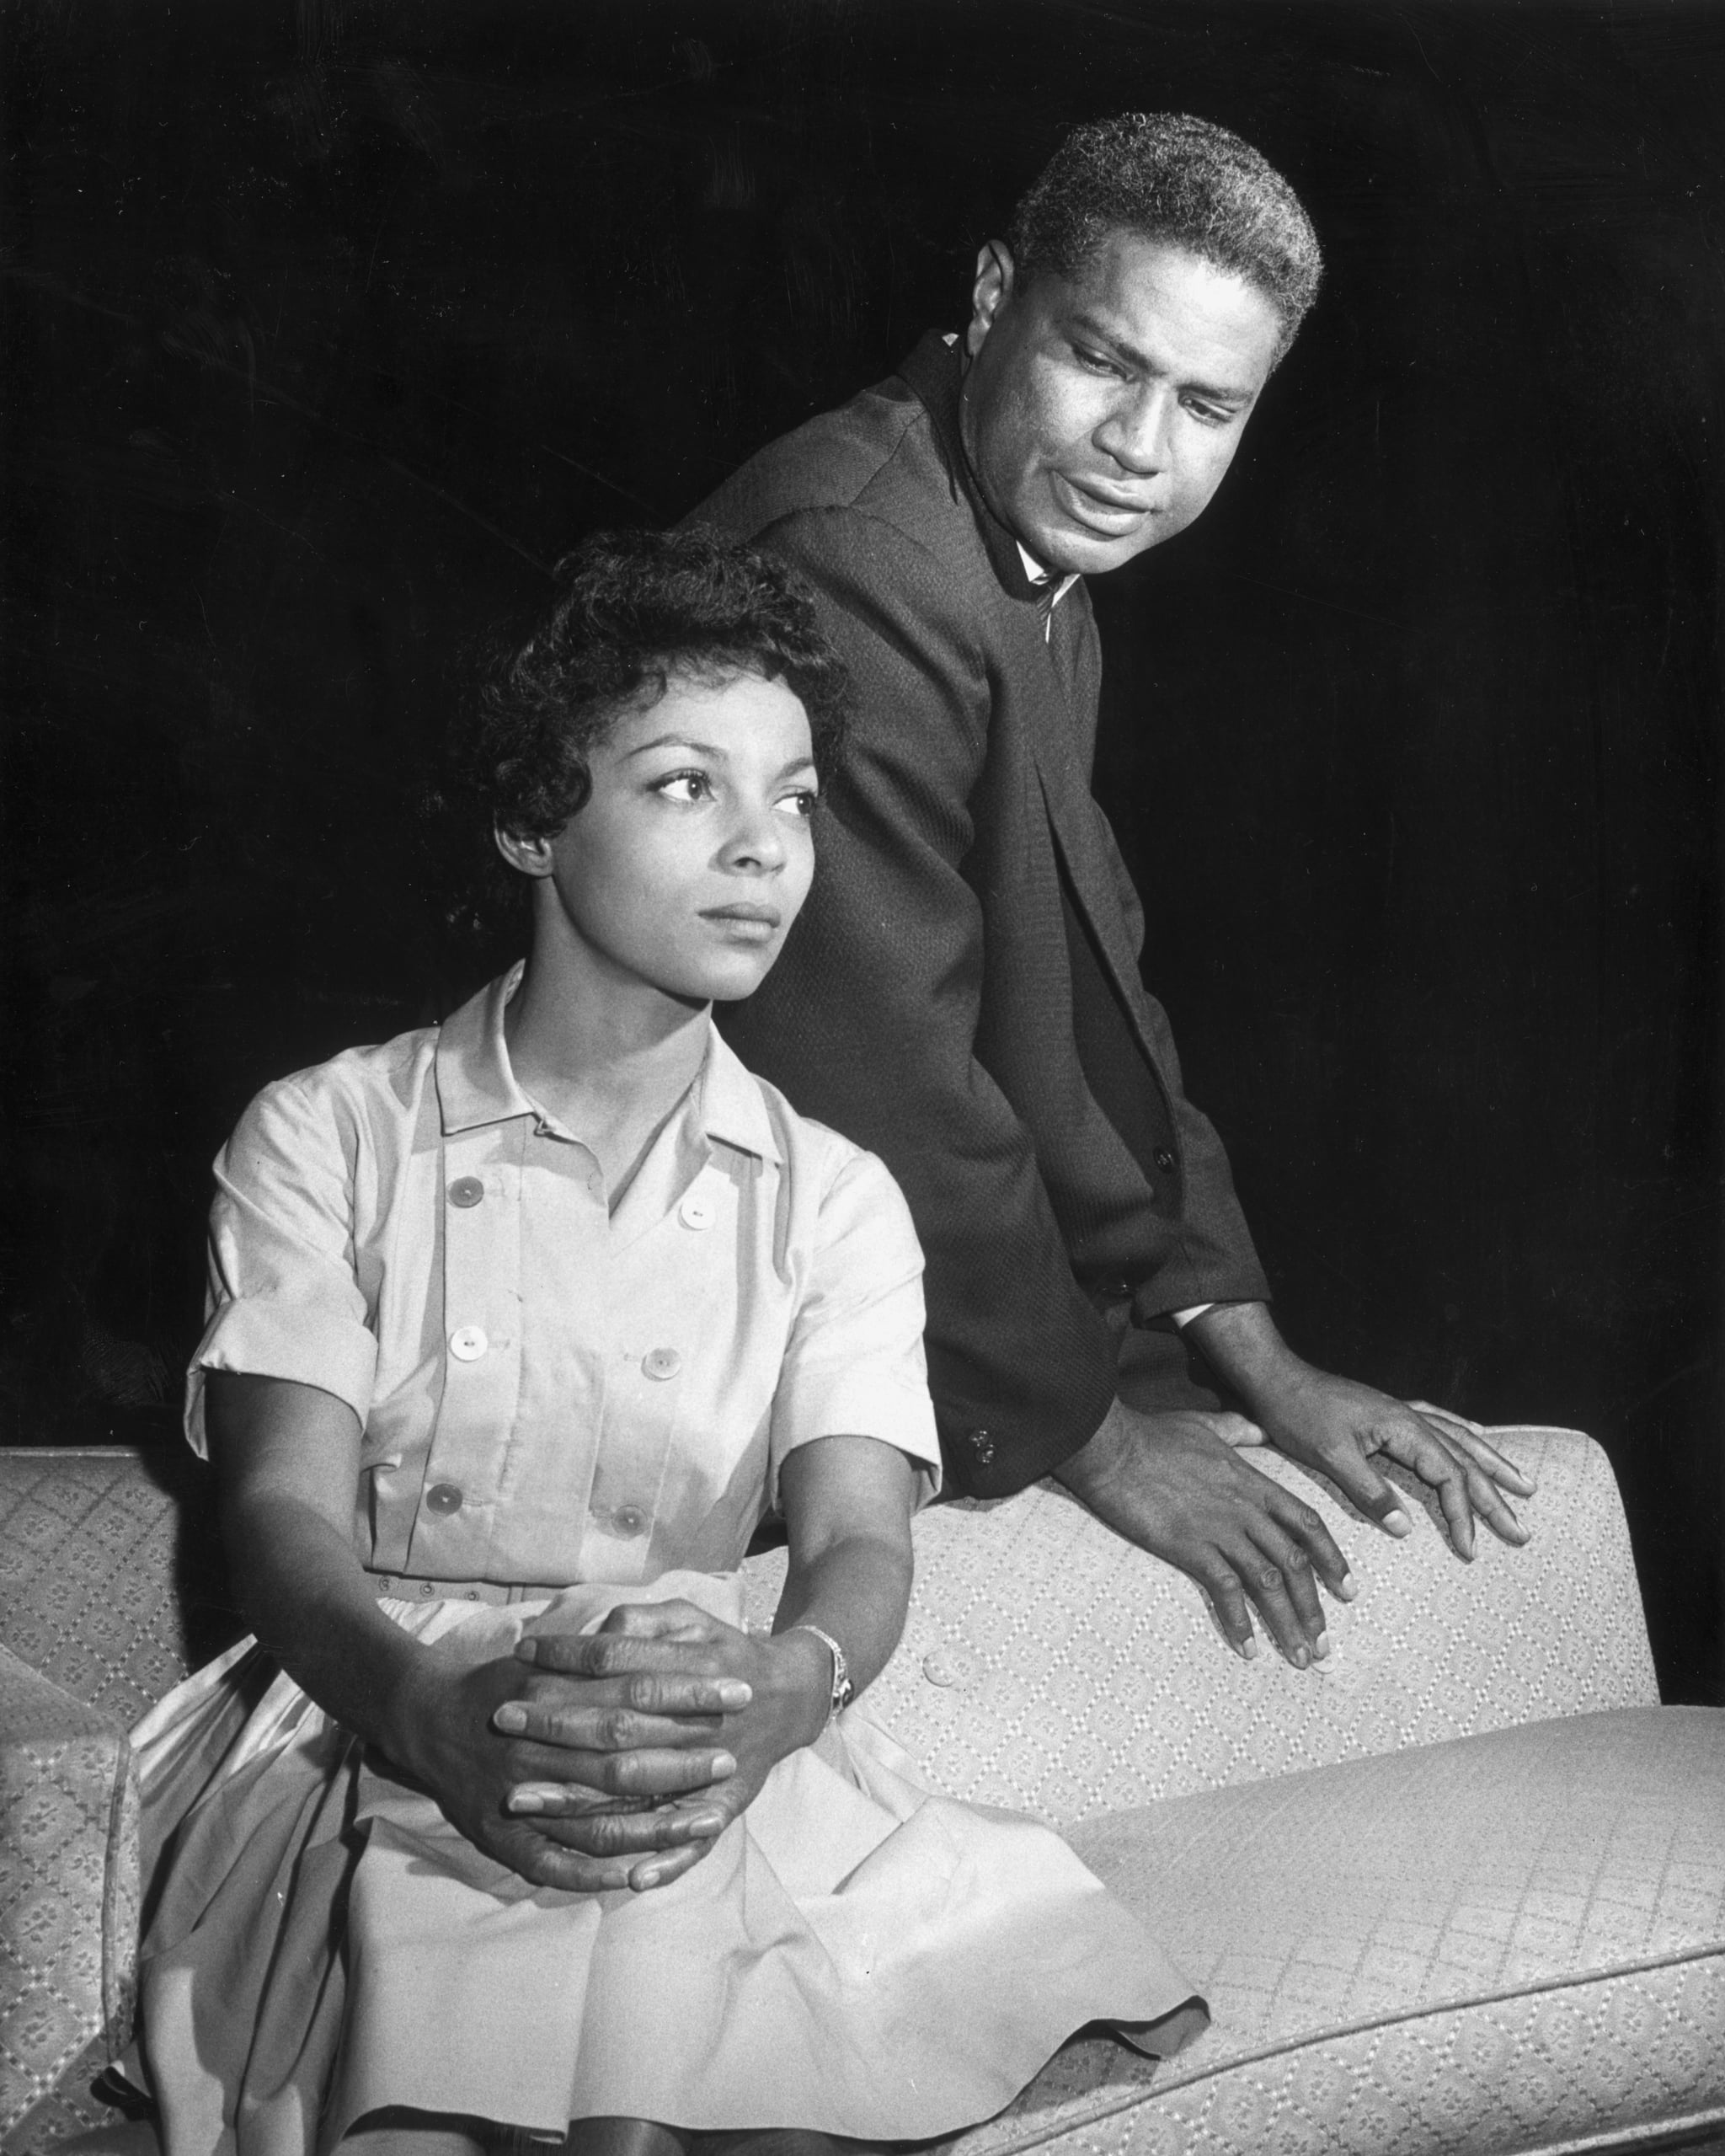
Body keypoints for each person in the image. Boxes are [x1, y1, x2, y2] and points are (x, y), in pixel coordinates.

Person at [115, 528, 1205, 2156]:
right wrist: (426, 1715)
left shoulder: (835, 1196)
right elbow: (281, 1524)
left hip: (703, 1719)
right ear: (530, 821)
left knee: (728, 2073)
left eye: (799, 799)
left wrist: (785, 1687)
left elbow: (858, 1543)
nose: (768, 850)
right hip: (374, 1717)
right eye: (690, 786)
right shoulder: (326, 1135)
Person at [687, 111, 1534, 1671]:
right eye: (1104, 361)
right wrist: (1099, 1435)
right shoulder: (865, 558)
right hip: (713, 1316)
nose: (1140, 449)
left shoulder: (1019, 530)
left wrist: (1246, 1340)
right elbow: (880, 1079)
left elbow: (1095, 979)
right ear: (996, 292)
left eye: (1209, 405)